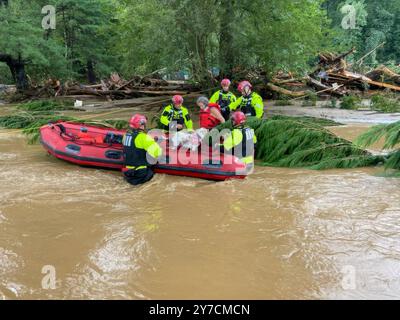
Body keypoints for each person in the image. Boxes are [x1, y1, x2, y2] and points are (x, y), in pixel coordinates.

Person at [122, 114, 162, 186]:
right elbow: (157, 152)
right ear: (141, 125)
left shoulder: (126, 135)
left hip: (128, 172)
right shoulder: (143, 138)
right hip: (141, 173)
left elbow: (134, 146)